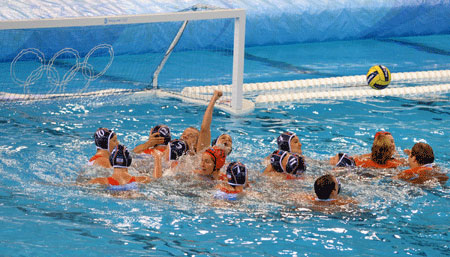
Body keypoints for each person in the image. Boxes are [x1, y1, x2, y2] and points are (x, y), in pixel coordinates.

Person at [88, 145, 158, 191]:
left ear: (111, 161)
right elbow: (157, 180)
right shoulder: (143, 180)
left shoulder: (99, 181)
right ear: (129, 161)